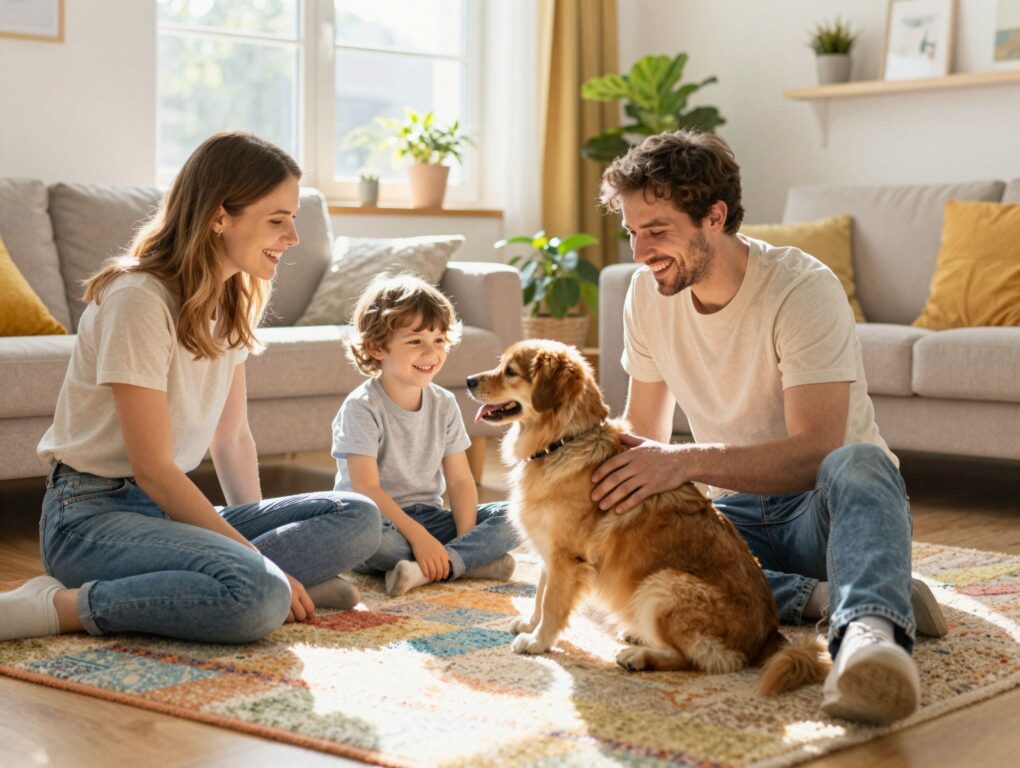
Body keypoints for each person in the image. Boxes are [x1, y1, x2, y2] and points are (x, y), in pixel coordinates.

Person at [590, 129, 948, 724]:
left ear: (714, 216)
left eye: (656, 231)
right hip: (735, 522)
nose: (639, 251)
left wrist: (682, 461)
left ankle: (868, 641)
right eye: (632, 232)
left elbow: (815, 450)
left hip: (821, 512)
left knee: (860, 461)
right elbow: (643, 429)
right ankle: (849, 591)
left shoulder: (801, 287)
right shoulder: (645, 295)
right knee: (637, 579)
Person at [0, 131, 381, 645]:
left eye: (293, 218)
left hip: (165, 517)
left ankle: (245, 583)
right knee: (255, 594)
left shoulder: (230, 302)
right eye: (277, 219)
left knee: (358, 515)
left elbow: (233, 440)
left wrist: (250, 534)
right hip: (90, 518)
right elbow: (153, 468)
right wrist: (259, 562)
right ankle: (54, 606)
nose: (292, 237)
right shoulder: (140, 298)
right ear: (219, 216)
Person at [333, 274, 519, 596]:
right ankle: (468, 562)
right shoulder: (361, 408)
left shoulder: (444, 402)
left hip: (431, 517)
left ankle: (439, 564)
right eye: (416, 342)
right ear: (377, 347)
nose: (431, 354)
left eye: (439, 341)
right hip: (376, 523)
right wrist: (420, 540)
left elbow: (461, 481)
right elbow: (367, 489)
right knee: (370, 539)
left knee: (517, 514)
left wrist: (463, 537)